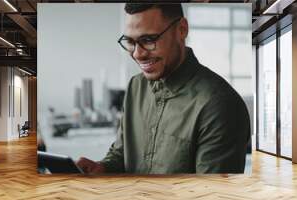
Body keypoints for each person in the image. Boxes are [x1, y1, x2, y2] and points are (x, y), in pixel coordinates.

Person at [76, 3, 250, 174]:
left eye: (148, 40)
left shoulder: (220, 105)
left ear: (182, 29)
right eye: (130, 41)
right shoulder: (135, 86)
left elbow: (210, 197)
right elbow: (121, 155)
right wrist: (102, 168)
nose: (137, 54)